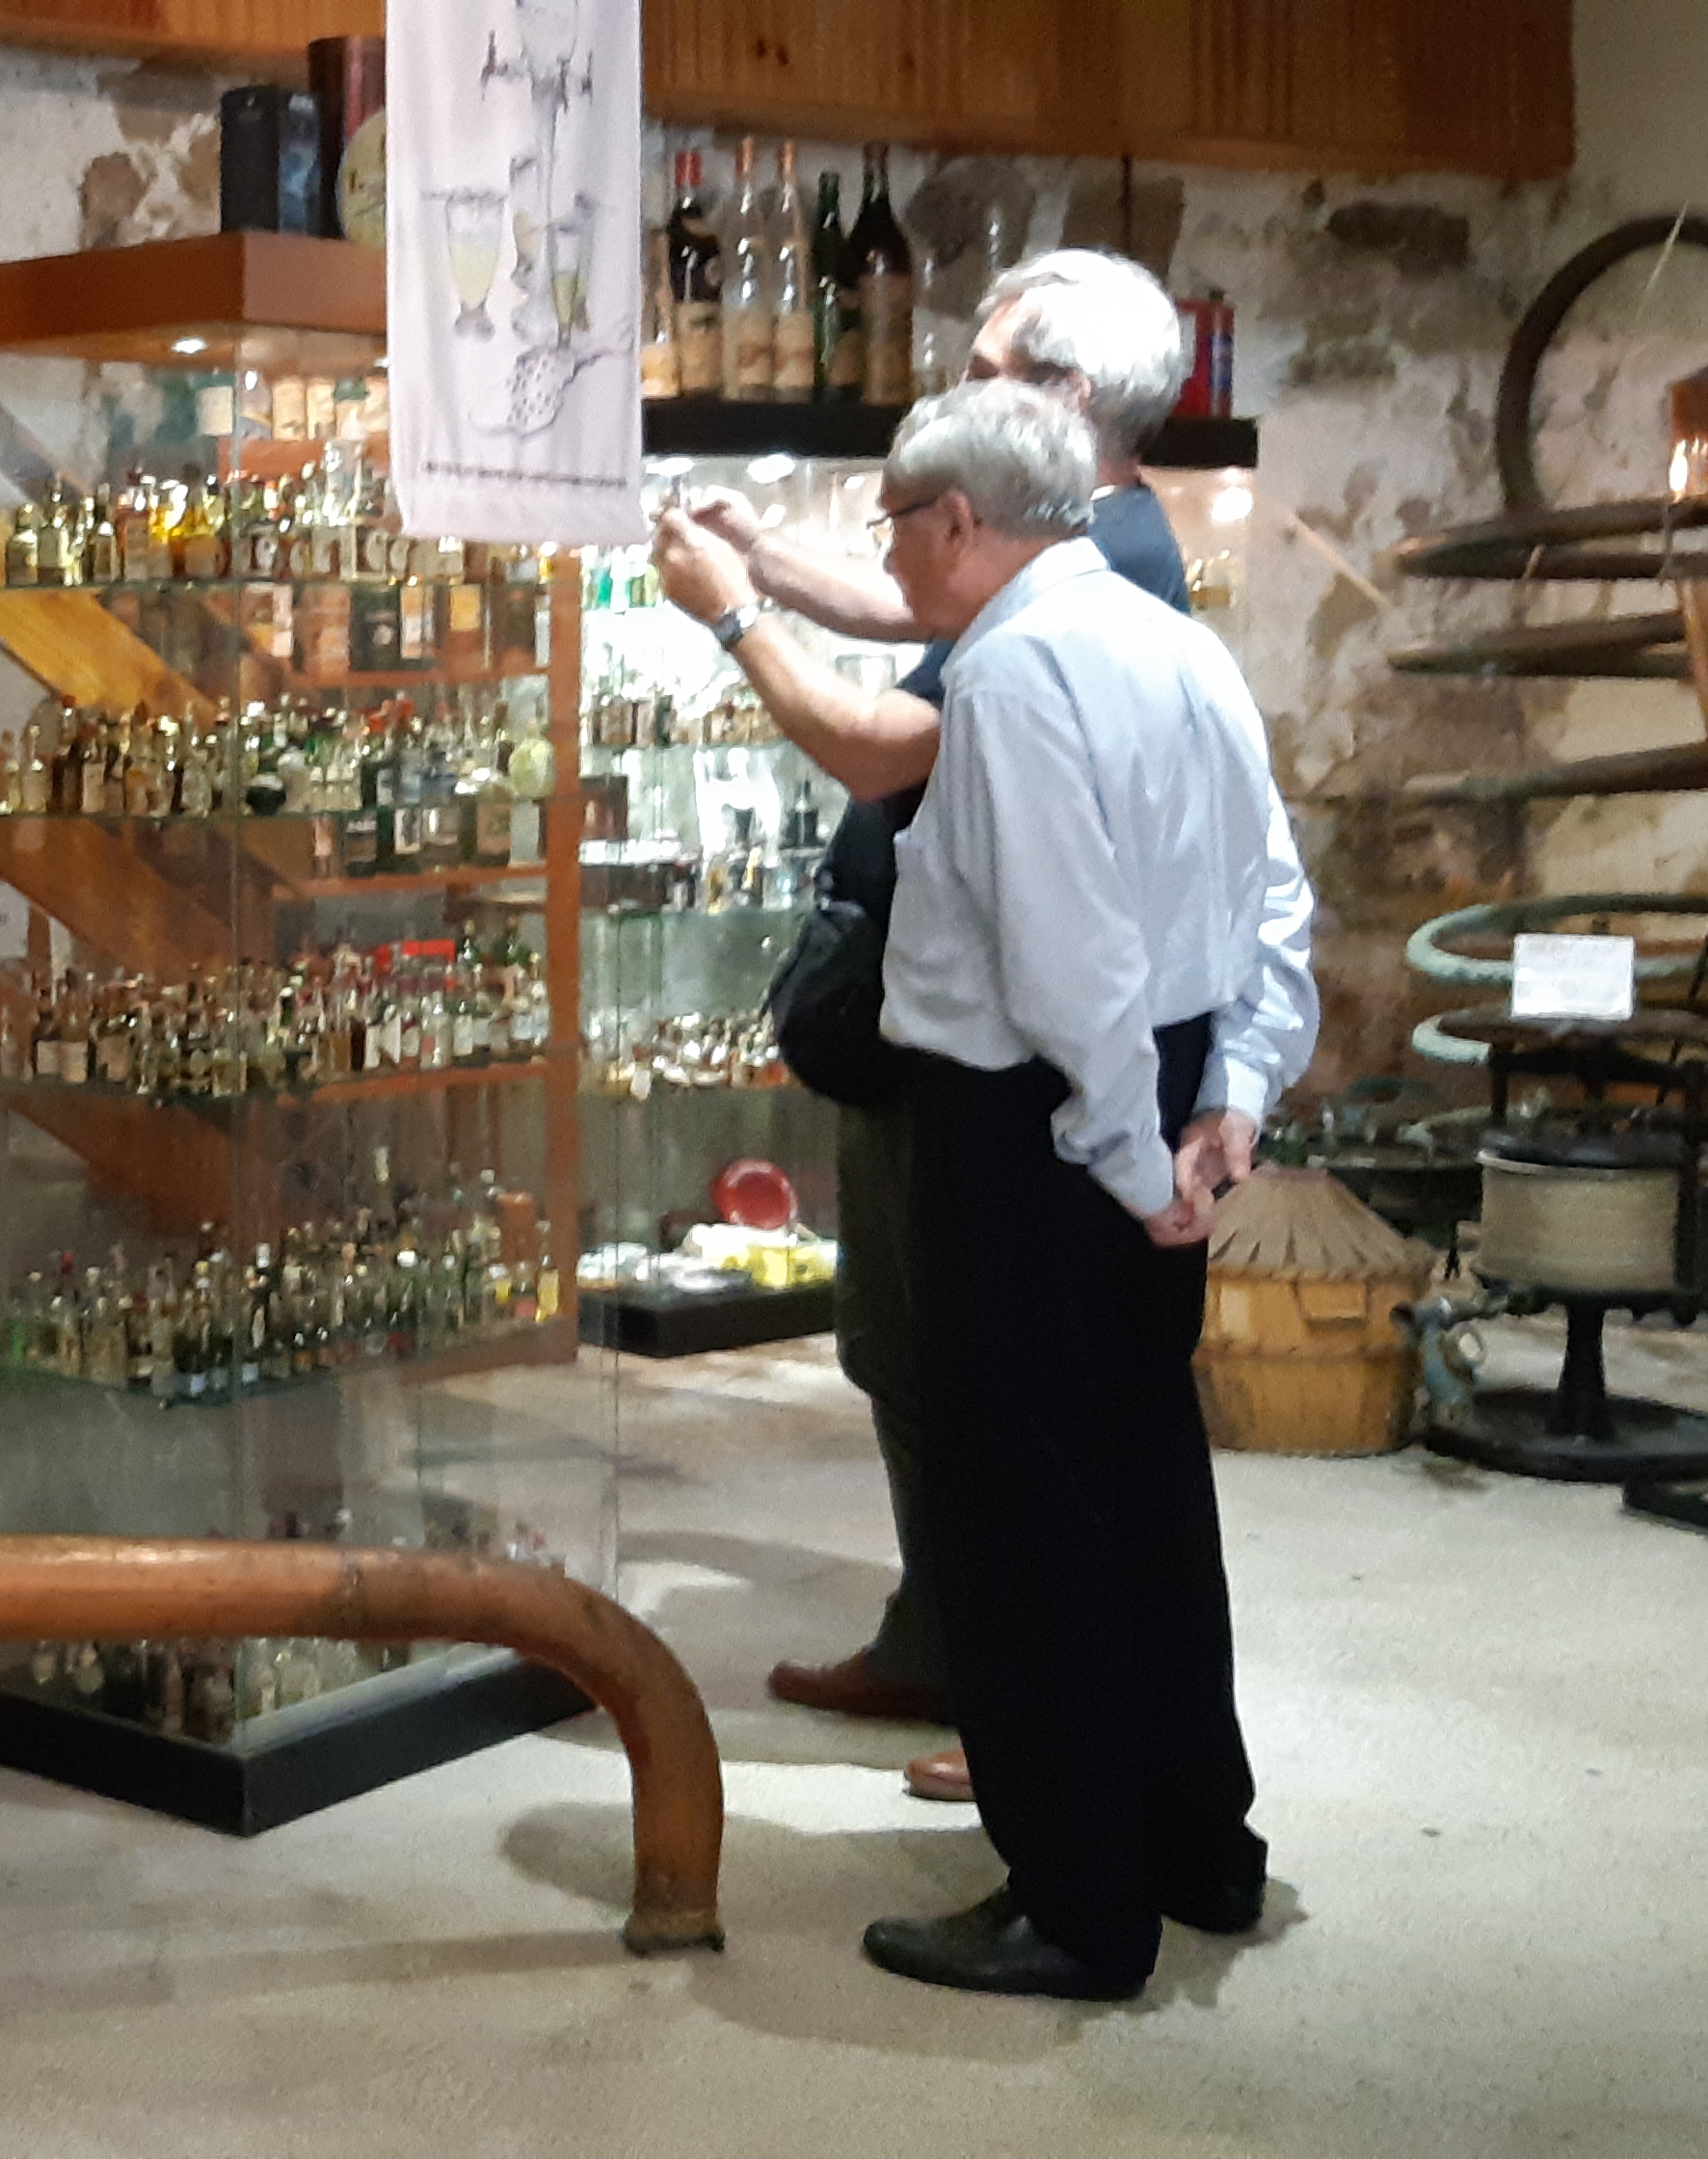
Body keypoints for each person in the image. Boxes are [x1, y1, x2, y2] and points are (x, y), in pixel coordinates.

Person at [647, 248, 1200, 1808]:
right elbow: (913, 605)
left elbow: (879, 745)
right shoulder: (1068, 546)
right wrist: (774, 561)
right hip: (965, 1035)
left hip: (1002, 1054)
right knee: (913, 1353)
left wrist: (734, 613)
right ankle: (947, 1643)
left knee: (993, 1388)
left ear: (1066, 400)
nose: (952, 390)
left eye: (983, 372)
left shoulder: (1103, 569)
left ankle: (1019, 1704)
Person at [828, 380, 1315, 2000]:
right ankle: (1195, 1843)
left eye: (893, 523)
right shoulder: (1178, 645)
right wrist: (1228, 1100)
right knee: (1145, 1484)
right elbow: (1269, 900)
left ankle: (1077, 1901)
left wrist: (1123, 1158)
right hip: (1160, 1091)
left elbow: (1065, 953)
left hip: (1036, 1126)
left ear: (958, 521)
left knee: (1021, 1515)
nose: (887, 555)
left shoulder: (1011, 668)